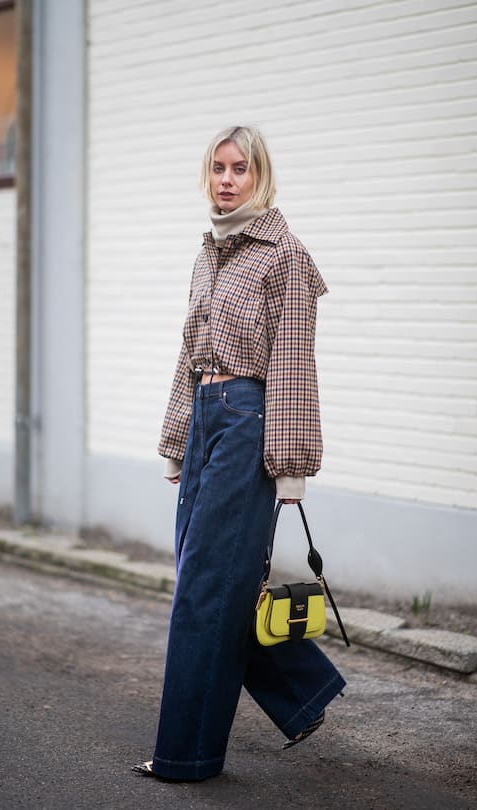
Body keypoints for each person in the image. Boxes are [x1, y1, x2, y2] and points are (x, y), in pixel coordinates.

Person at [132, 125, 346, 782]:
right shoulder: (208, 252)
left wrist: (289, 467)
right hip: (204, 419)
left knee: (203, 589)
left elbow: (291, 365)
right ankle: (301, 688)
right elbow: (186, 352)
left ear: (261, 176)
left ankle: (184, 757)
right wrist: (175, 441)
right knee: (209, 584)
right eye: (218, 168)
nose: (227, 179)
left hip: (251, 422)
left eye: (240, 169)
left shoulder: (284, 256)